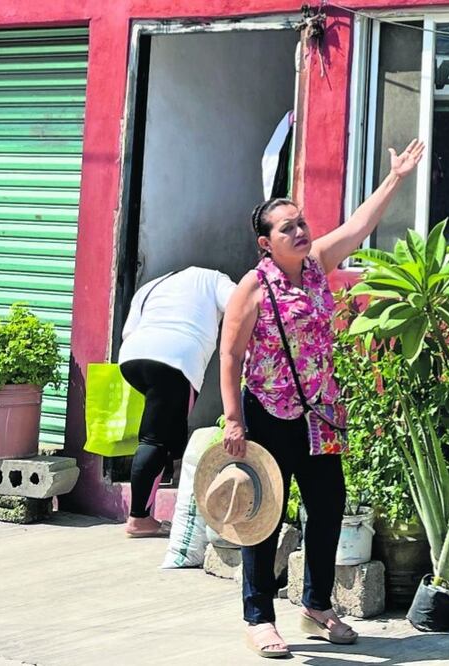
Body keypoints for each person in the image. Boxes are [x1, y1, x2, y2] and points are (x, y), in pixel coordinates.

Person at [220, 138, 425, 658]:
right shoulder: (253, 286)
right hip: (268, 414)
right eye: (286, 226)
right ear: (266, 242)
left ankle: (316, 605)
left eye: (301, 222)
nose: (300, 230)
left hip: (322, 415)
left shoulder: (316, 266)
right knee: (263, 515)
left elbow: (358, 225)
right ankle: (259, 617)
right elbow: (229, 355)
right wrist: (233, 420)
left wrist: (396, 177)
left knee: (328, 507)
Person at [119, 266, 236, 537]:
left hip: (133, 357)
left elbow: (128, 331)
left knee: (170, 435)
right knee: (155, 440)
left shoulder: (153, 285)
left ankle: (154, 505)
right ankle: (139, 518)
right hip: (176, 360)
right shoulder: (216, 279)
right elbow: (239, 306)